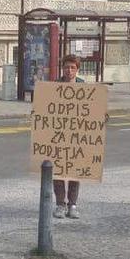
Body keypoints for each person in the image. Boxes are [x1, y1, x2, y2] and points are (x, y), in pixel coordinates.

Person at [53, 54, 84, 220]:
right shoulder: (55, 86)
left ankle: (72, 205)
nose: (69, 70)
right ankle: (60, 204)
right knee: (57, 172)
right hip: (58, 136)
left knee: (74, 172)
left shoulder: (84, 87)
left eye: (72, 67)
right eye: (66, 67)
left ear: (77, 70)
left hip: (76, 137)